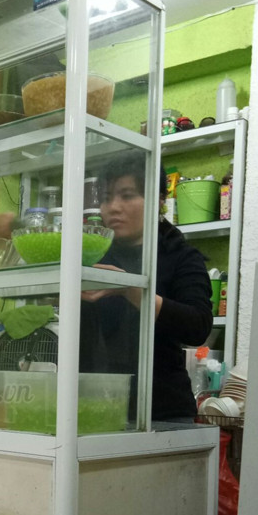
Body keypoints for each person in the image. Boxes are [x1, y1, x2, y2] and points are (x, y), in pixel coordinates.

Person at [79, 154, 213, 422]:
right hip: (95, 404)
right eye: (106, 197)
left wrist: (130, 289)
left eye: (127, 195)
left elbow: (198, 326)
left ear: (159, 200)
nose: (113, 207)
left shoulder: (180, 256)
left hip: (163, 409)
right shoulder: (93, 255)